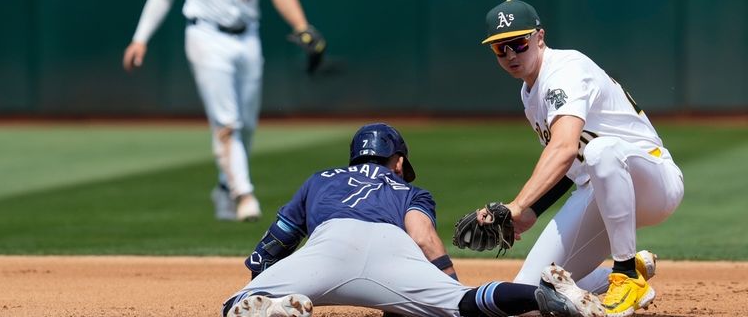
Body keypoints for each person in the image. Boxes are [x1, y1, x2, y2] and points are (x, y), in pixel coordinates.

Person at [221, 123, 605, 317]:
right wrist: (445, 283)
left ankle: (272, 307)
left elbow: (279, 238)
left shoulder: (321, 179)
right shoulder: (410, 191)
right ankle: (549, 294)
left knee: (235, 305)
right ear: (399, 162)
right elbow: (422, 237)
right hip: (394, 252)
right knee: (464, 305)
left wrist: (262, 277)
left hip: (328, 248)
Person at [122, 0, 324, 222]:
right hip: (205, 35)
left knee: (246, 125)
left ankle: (223, 186)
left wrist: (302, 25)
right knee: (227, 120)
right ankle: (244, 195)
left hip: (248, 37)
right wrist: (140, 38)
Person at [474, 0, 684, 316]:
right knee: (529, 297)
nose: (512, 55)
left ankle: (626, 275)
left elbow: (564, 148)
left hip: (652, 181)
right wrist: (531, 211)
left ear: (539, 37)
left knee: (601, 151)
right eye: (500, 49)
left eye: (519, 43)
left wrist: (516, 205)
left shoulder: (565, 71)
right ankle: (633, 267)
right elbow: (572, 165)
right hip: (601, 191)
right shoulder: (529, 92)